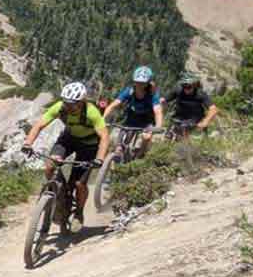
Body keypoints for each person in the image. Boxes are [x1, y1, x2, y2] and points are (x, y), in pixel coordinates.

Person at [21, 82, 110, 227]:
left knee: (79, 184)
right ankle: (59, 194)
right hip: (68, 139)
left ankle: (79, 212)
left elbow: (105, 137)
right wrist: (28, 143)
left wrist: (99, 158)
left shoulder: (91, 112)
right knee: (50, 166)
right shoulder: (60, 107)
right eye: (66, 103)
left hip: (89, 145)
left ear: (82, 102)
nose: (68, 107)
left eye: (72, 104)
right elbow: (39, 125)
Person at [102, 65, 163, 158]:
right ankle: (115, 158)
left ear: (147, 83)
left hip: (147, 121)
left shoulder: (152, 94)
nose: (139, 85)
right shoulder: (129, 91)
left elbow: (158, 111)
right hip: (132, 118)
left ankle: (139, 156)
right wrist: (102, 118)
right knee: (121, 142)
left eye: (142, 83)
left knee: (146, 137)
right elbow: (113, 105)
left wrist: (158, 127)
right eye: (137, 82)